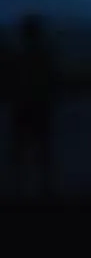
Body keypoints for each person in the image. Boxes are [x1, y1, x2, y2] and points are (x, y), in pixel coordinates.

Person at [8, 14, 56, 198]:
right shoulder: (43, 53)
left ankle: (19, 189)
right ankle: (44, 188)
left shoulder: (18, 54)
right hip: (38, 106)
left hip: (24, 106)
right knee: (42, 150)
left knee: (22, 149)